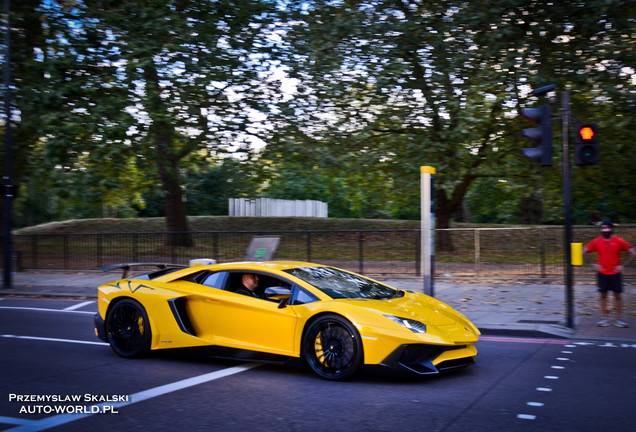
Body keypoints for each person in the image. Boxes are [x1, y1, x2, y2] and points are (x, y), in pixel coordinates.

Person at [583, 220, 636, 328]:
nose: (604, 230)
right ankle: (603, 318)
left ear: (611, 229)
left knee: (617, 296)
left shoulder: (618, 241)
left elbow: (632, 253)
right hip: (602, 273)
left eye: (606, 228)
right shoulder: (597, 242)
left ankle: (619, 319)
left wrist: (624, 265)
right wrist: (593, 264)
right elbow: (584, 251)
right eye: (602, 228)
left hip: (615, 273)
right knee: (603, 296)